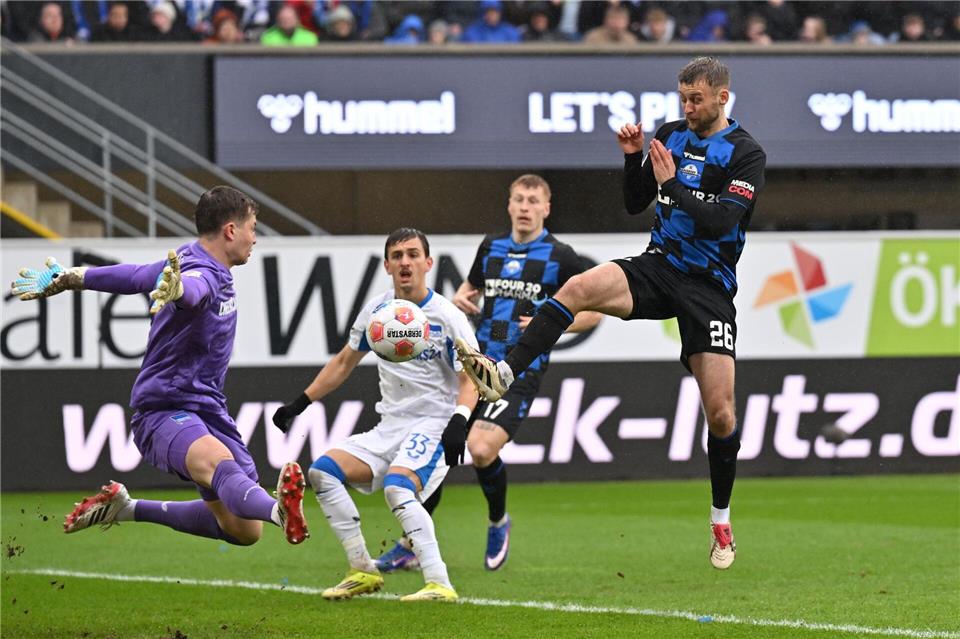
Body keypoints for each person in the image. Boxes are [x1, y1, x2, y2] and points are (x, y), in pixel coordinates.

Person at [454, 57, 766, 571]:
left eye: (697, 99)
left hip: (708, 288)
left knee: (722, 415)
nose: (688, 108)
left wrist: (674, 186)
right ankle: (505, 371)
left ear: (722, 97)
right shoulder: (671, 135)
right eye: (683, 98)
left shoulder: (746, 153)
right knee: (578, 286)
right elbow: (634, 202)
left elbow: (720, 220)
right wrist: (633, 157)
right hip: (659, 266)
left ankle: (720, 519)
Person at [10, 186, 309, 548]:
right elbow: (194, 291)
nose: (255, 238)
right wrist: (180, 291)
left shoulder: (187, 259)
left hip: (209, 409)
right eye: (253, 228)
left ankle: (127, 508)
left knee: (244, 530)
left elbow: (136, 275)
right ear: (231, 230)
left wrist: (75, 277)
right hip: (164, 410)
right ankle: (279, 512)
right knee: (217, 461)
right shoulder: (202, 273)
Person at [378, 176, 601, 573]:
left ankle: (498, 522)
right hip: (474, 366)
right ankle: (411, 543)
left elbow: (594, 312)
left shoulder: (561, 256)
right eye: (519, 199)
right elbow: (469, 291)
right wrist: (461, 300)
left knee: (480, 449)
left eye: (533, 200)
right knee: (439, 453)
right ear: (510, 204)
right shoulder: (491, 246)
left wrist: (553, 322)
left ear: (546, 208)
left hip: (518, 369)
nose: (525, 206)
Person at [271, 228, 479, 601]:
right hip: (390, 426)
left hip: (434, 424)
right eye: (397, 255)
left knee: (398, 488)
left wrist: (459, 420)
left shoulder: (448, 317)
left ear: (428, 263)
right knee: (322, 472)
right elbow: (343, 362)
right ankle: (362, 569)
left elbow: (472, 379)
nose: (405, 262)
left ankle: (439, 583)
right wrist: (300, 403)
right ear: (386, 265)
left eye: (413, 254)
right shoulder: (378, 312)